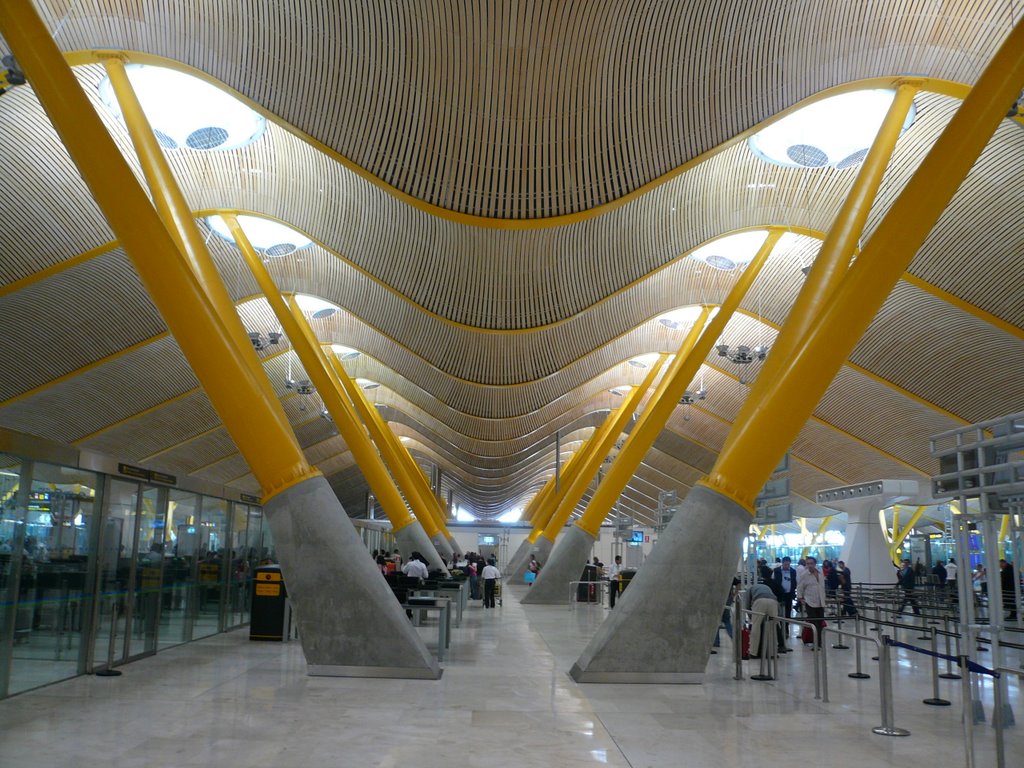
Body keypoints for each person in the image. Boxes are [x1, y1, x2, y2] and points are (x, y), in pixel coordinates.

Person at [796, 555, 827, 648]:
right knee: (814, 623)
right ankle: (816, 642)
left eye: (811, 563)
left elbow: (822, 587)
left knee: (820, 623)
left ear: (815, 564)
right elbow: (800, 587)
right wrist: (800, 598)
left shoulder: (820, 573)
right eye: (808, 564)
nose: (809, 565)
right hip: (810, 602)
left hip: (820, 601)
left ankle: (819, 642)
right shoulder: (804, 575)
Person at [744, 579, 779, 658]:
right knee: (772, 627)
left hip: (759, 601)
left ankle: (753, 652)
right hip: (773, 602)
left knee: (756, 627)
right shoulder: (767, 587)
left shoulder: (749, 590)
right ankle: (773, 653)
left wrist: (751, 618)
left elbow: (747, 605)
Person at [772, 556, 798, 633]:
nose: (787, 566)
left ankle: (786, 629)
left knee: (788, 612)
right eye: (785, 564)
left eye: (788, 564)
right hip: (779, 595)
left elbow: (794, 582)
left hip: (789, 595)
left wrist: (793, 591)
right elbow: (775, 582)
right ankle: (780, 630)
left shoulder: (793, 571)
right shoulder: (776, 571)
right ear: (782, 563)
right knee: (779, 613)